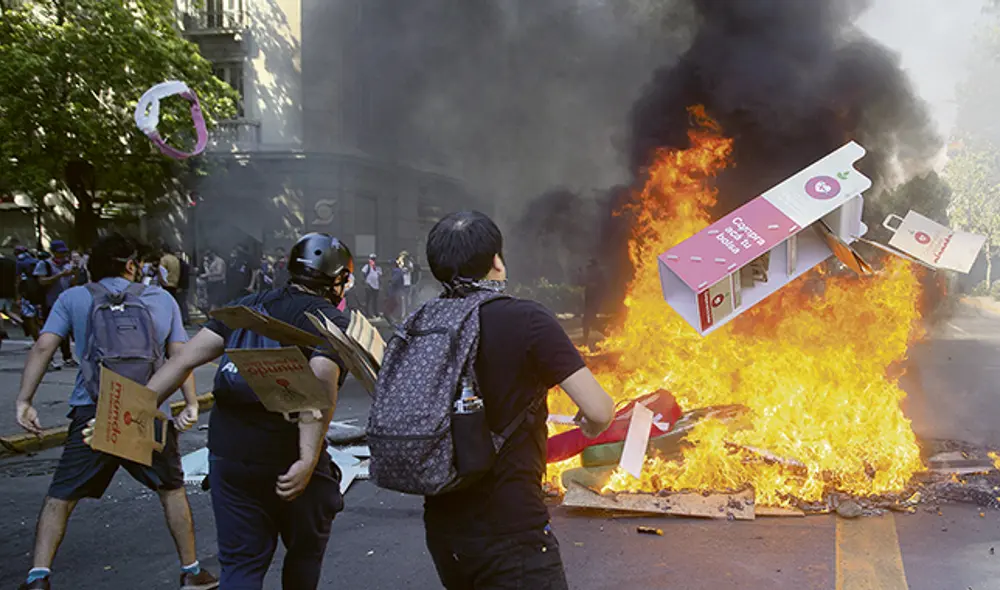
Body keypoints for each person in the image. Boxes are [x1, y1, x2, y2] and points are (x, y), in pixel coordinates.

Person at [143, 232, 353, 589]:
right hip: (288, 457)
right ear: (337, 281)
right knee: (304, 554)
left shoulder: (246, 306)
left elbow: (183, 361)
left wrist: (136, 406)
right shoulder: (331, 320)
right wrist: (306, 459)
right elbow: (321, 382)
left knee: (241, 565)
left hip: (230, 456)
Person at [419, 211, 615, 589]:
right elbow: (600, 409)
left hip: (444, 529)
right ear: (496, 260)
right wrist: (590, 426)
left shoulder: (423, 321)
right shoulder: (526, 320)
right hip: (510, 528)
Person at [13, 233, 219, 590]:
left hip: (91, 409)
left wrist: (24, 401)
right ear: (129, 265)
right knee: (170, 489)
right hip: (146, 408)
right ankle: (192, 571)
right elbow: (181, 355)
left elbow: (44, 346)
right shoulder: (161, 298)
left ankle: (38, 577)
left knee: (60, 496)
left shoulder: (73, 298)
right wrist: (189, 402)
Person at [35, 241, 76, 368]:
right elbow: (42, 281)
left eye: (64, 252)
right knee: (51, 332)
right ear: (54, 252)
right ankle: (48, 359)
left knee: (66, 332)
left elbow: (71, 284)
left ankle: (67, 357)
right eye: (60, 252)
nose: (63, 255)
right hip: (49, 302)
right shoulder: (45, 264)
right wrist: (59, 275)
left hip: (65, 302)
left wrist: (75, 274)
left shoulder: (67, 265)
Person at [15, 245, 41, 343]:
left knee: (29, 318)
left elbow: (18, 279)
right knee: (39, 317)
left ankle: (37, 340)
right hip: (39, 292)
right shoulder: (36, 261)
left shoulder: (19, 262)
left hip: (27, 292)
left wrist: (17, 296)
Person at [581, 258, 605, 349]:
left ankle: (584, 341)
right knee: (591, 322)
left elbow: (602, 288)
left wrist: (597, 303)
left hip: (593, 303)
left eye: (590, 267)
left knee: (587, 322)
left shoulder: (599, 275)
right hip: (589, 302)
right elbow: (582, 284)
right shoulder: (590, 276)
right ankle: (609, 334)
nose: (589, 269)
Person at [361, 253, 382, 318]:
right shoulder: (367, 267)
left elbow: (379, 276)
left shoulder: (378, 268)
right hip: (369, 286)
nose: (373, 261)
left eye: (374, 259)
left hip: (376, 286)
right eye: (372, 259)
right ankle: (367, 313)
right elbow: (363, 274)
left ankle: (375, 313)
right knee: (368, 300)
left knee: (375, 301)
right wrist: (365, 282)